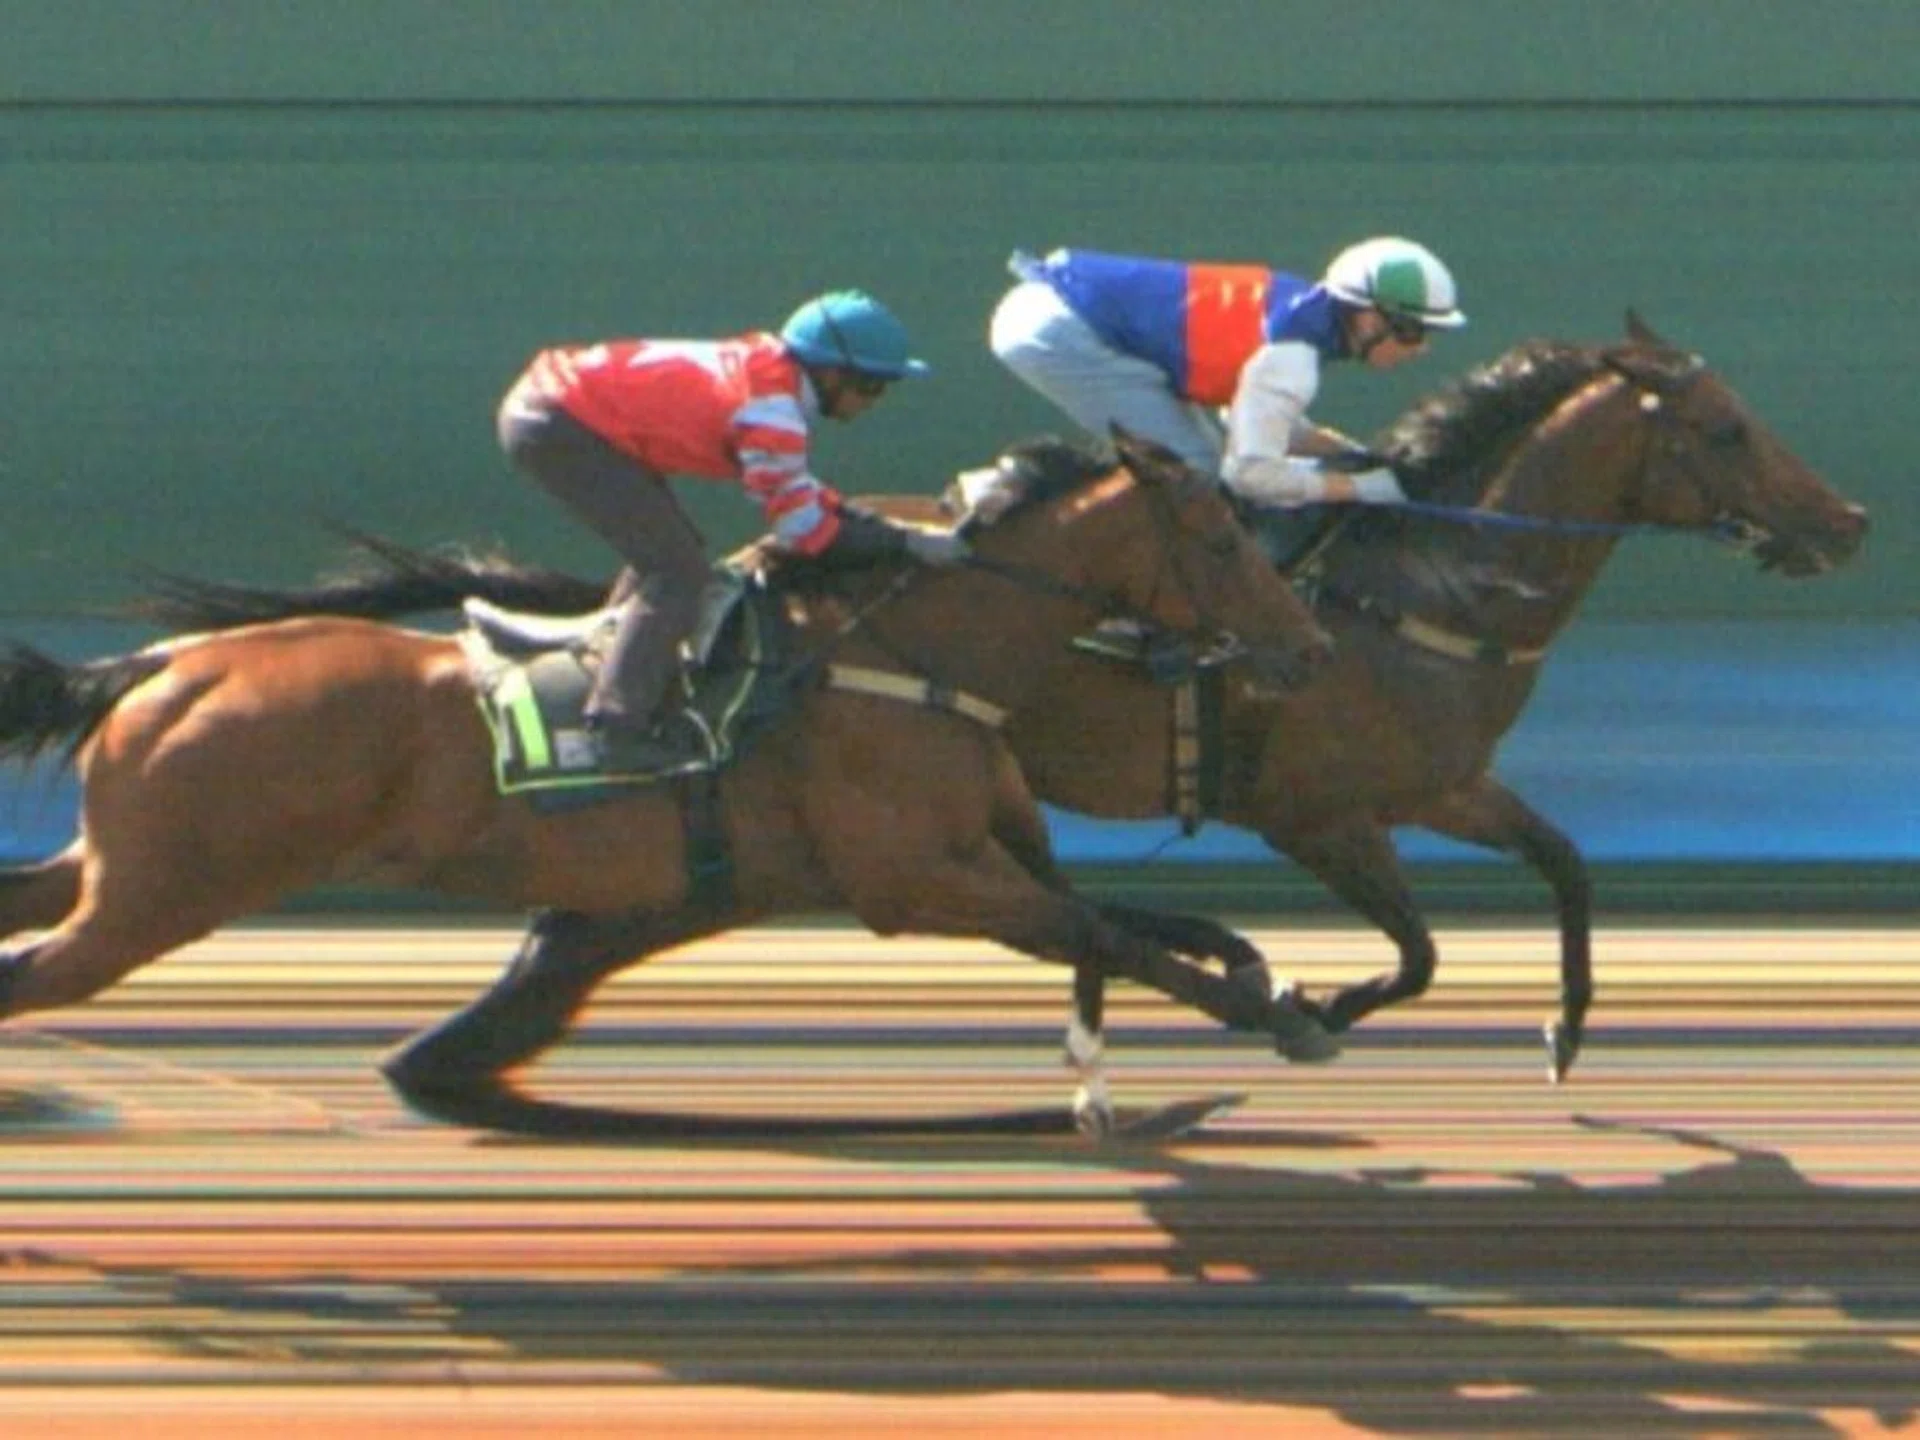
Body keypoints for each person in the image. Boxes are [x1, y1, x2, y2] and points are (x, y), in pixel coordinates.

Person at [498, 289, 966, 770]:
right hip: (559, 422)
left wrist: (884, 527)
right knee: (678, 573)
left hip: (559, 408)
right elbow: (805, 532)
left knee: (676, 555)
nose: (874, 401)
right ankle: (615, 729)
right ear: (831, 374)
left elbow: (802, 495)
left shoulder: (772, 374)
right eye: (873, 386)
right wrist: (906, 543)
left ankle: (612, 662)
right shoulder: (772, 413)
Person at [987, 237, 1465, 523]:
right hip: (1062, 329)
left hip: (1055, 312)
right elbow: (1251, 476)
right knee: (1195, 474)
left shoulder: (1304, 322)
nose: (1420, 348)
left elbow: (1261, 420)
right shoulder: (1293, 356)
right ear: (1367, 318)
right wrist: (1361, 488)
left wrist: (1352, 454)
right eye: (1412, 331)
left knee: (1202, 461)